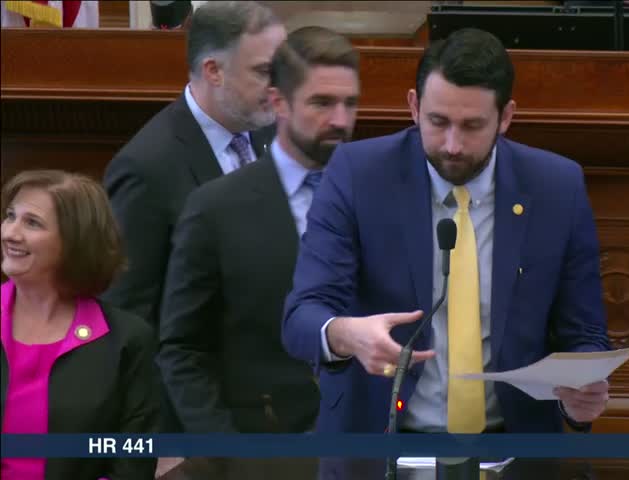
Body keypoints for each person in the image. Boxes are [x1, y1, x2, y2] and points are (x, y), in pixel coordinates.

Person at [282, 27, 611, 434]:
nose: (452, 145)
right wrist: (347, 334)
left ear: (506, 117)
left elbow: (585, 331)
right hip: (380, 441)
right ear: (414, 106)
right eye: (438, 122)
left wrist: (580, 395)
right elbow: (302, 316)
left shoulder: (556, 187)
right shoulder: (358, 174)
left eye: (472, 126)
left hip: (513, 443)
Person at [157, 26, 360, 435]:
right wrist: (227, 451)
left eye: (349, 103)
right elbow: (183, 350)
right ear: (278, 102)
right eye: (322, 103)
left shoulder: (376, 193)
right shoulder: (216, 208)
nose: (340, 120)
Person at [101, 0, 284, 434]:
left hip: (277, 405)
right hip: (196, 421)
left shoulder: (273, 133)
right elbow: (130, 320)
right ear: (213, 71)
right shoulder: (147, 167)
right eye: (264, 71)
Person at [0, 170, 158, 480]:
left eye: (32, 223)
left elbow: (134, 457)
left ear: (74, 241)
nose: (10, 233)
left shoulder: (127, 339)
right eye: (10, 216)